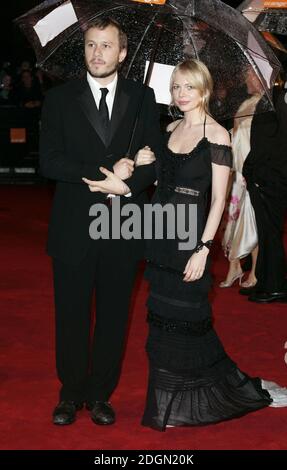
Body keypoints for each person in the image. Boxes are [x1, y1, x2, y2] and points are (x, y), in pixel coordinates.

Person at [133, 59, 286, 432]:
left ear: (204, 89)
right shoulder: (168, 128)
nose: (181, 94)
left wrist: (204, 248)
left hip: (190, 238)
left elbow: (217, 199)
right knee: (160, 322)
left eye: (188, 87)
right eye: (175, 88)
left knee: (187, 319)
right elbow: (158, 180)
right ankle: (166, 396)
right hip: (159, 233)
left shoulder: (217, 135)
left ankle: (186, 398)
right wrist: (143, 160)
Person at [39, 17, 161, 426]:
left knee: (113, 317)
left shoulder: (144, 97)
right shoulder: (59, 99)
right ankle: (70, 394)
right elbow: (49, 160)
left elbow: (155, 157)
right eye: (92, 45)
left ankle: (100, 395)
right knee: (70, 314)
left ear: (123, 53)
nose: (97, 53)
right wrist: (104, 172)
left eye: (107, 46)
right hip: (73, 225)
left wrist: (126, 186)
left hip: (124, 226)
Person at [242, 86, 287, 302]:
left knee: (270, 232)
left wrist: (250, 169)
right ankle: (265, 280)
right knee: (267, 231)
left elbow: (267, 142)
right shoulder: (275, 96)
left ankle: (275, 285)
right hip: (268, 174)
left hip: (271, 176)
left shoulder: (276, 98)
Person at [220, 69, 262, 289]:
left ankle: (254, 271)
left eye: (249, 74)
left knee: (252, 220)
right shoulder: (246, 104)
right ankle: (234, 266)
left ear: (259, 77)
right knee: (234, 220)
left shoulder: (264, 105)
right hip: (237, 172)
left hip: (253, 172)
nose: (245, 78)